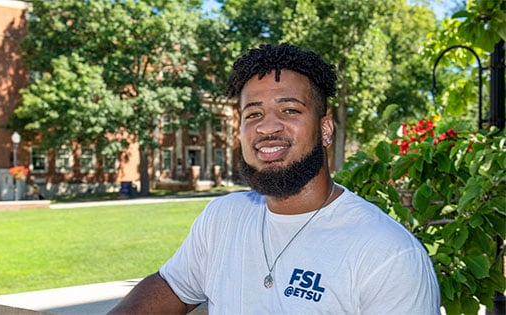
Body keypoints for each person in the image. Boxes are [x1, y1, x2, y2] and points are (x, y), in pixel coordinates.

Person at [109, 43, 440, 314]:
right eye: (253, 114)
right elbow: (172, 286)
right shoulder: (223, 218)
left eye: (290, 110)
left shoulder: (389, 254)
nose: (267, 128)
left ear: (325, 129)